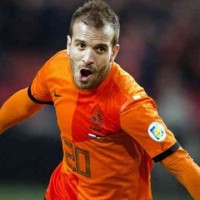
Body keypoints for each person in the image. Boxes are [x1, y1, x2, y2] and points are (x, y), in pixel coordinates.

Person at [0, 0, 200, 199]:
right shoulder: (57, 67)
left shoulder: (130, 104)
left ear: (114, 52)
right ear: (69, 45)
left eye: (100, 49)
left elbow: (179, 162)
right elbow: (27, 101)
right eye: (81, 45)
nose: (88, 57)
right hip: (64, 192)